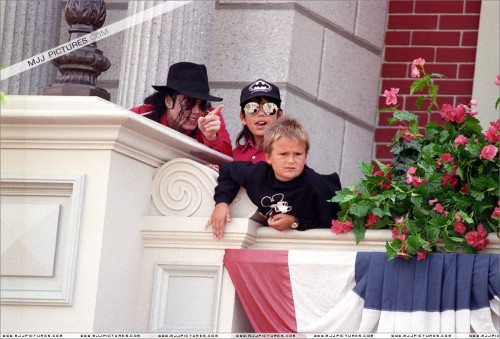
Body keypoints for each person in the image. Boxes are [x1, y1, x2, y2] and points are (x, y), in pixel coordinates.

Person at [205, 116, 342, 240]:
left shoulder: (317, 186)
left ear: (305, 156)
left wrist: (294, 222)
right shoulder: (257, 174)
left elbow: (332, 222)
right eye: (283, 154)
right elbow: (227, 171)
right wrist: (221, 203)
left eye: (297, 154)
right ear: (268, 157)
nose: (291, 160)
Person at [130, 62, 233, 157]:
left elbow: (227, 162)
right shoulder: (143, 116)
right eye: (188, 103)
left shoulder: (208, 115)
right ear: (169, 101)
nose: (197, 111)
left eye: (203, 104)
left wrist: (211, 138)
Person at [233, 78, 284, 163]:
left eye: (269, 107)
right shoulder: (234, 155)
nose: (261, 113)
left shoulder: (289, 153)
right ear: (243, 117)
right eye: (252, 107)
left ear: (279, 116)